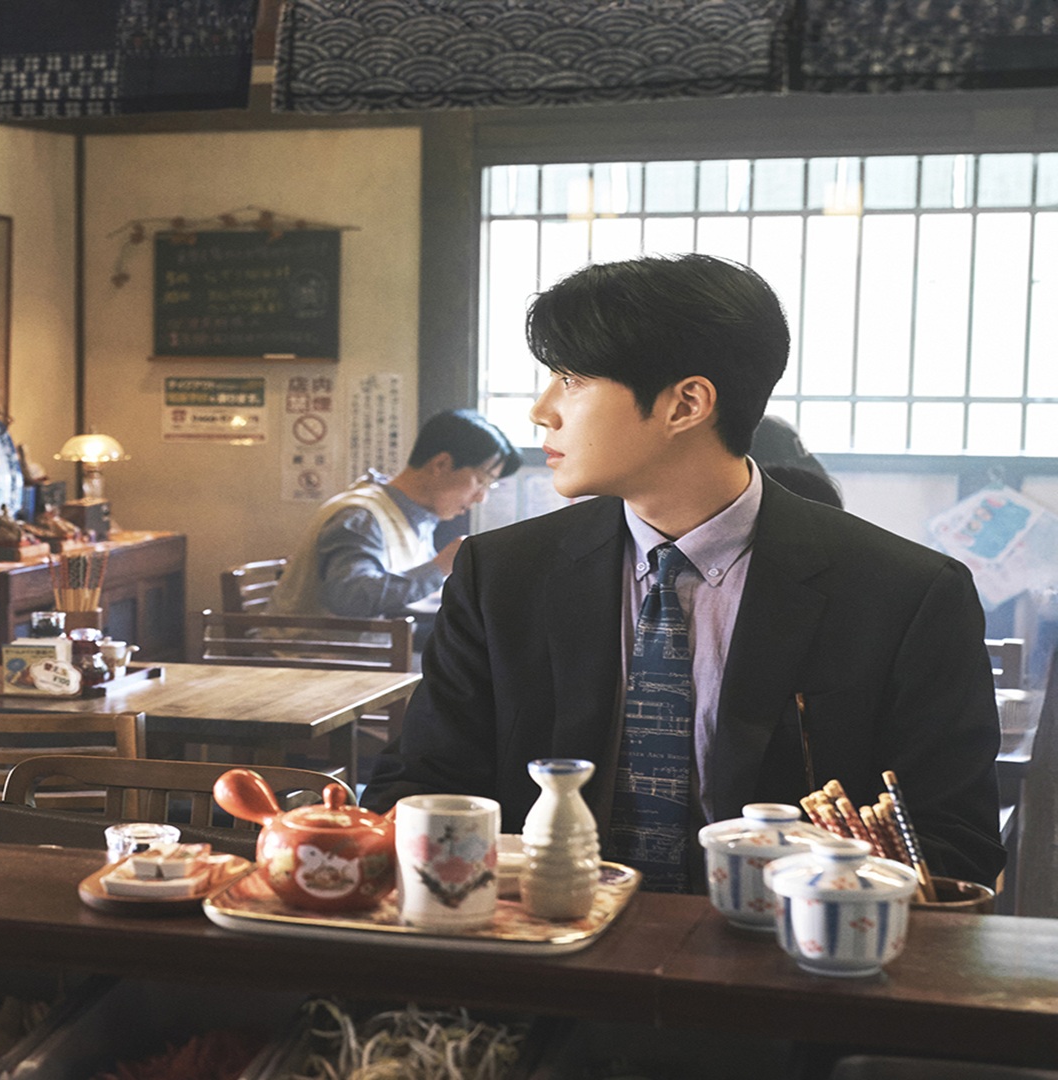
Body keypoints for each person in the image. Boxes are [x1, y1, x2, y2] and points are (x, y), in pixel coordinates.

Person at [362, 254, 1004, 893]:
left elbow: (953, 845)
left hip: (778, 950)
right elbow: (419, 787)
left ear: (686, 404)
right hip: (541, 938)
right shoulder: (501, 575)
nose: (542, 410)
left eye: (572, 379)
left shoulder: (905, 595)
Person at [268, 409, 522, 620]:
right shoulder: (361, 516)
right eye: (481, 480)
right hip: (315, 659)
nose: (481, 497)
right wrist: (440, 567)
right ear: (441, 464)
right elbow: (350, 598)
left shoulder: (415, 516)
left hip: (373, 655)